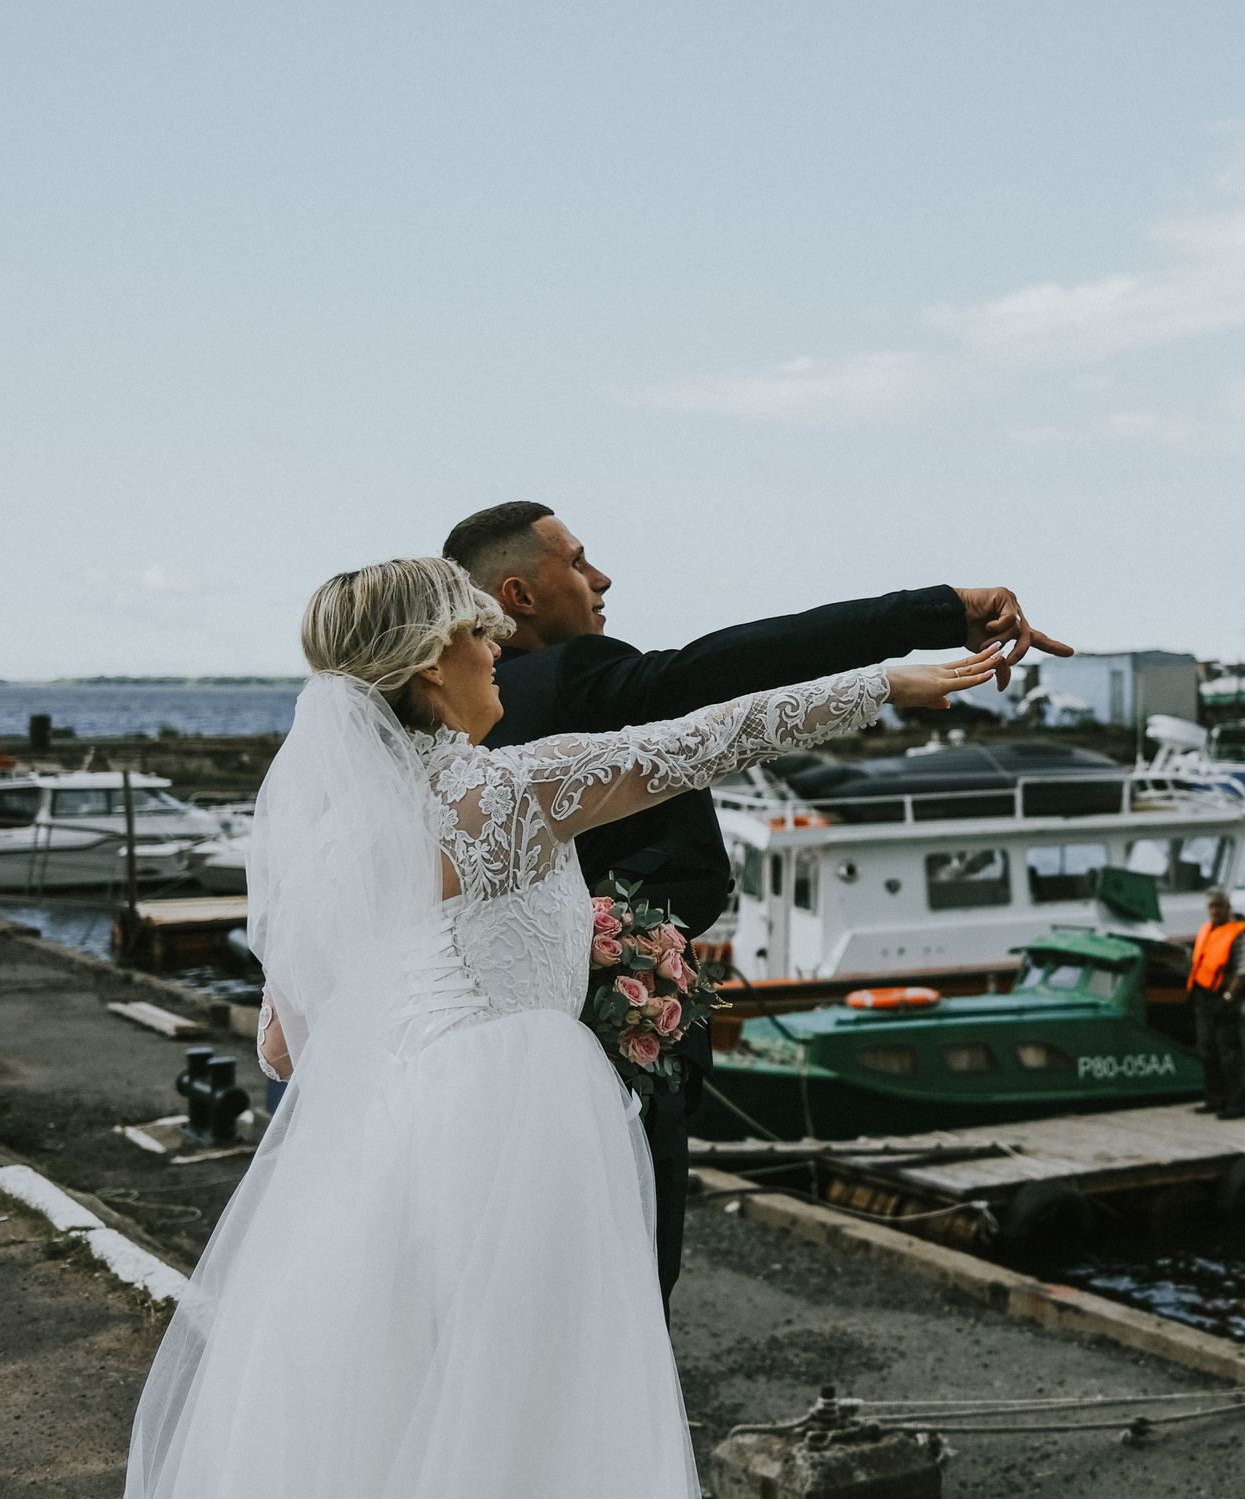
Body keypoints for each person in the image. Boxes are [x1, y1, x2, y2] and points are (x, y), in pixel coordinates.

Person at [126, 557, 1004, 1498]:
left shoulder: (339, 843)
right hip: (514, 1118)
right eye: (477, 633)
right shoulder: (505, 791)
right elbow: (698, 742)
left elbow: (281, 1046)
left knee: (413, 1407)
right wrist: (884, 683)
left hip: (391, 1143)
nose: (497, 649)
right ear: (431, 662)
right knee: (543, 1412)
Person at [440, 499, 1068, 1306]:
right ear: (520, 594)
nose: (601, 578)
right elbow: (730, 669)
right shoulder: (580, 676)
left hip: (467, 1075)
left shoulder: (423, 734)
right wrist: (937, 612)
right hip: (613, 1068)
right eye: (579, 560)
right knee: (619, 1306)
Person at [1188, 888, 1245, 1120]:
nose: (1215, 911)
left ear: (1228, 908)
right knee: (1207, 1050)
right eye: (1212, 907)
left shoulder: (1239, 933)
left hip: (1225, 998)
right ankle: (1214, 1099)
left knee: (1228, 1052)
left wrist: (1228, 998)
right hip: (1204, 996)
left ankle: (1237, 1104)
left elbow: (1244, 971)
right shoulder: (1207, 930)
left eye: (1219, 906)